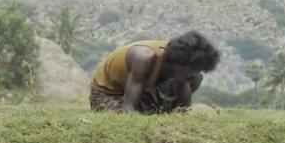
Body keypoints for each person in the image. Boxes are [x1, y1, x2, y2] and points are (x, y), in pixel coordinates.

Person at [88, 31, 220, 114]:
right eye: (190, 70)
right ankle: (154, 112)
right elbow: (129, 108)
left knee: (196, 79)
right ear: (178, 61)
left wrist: (185, 113)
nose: (192, 74)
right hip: (108, 95)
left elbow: (184, 104)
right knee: (123, 114)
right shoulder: (145, 57)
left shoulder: (184, 71)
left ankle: (157, 112)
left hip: (145, 93)